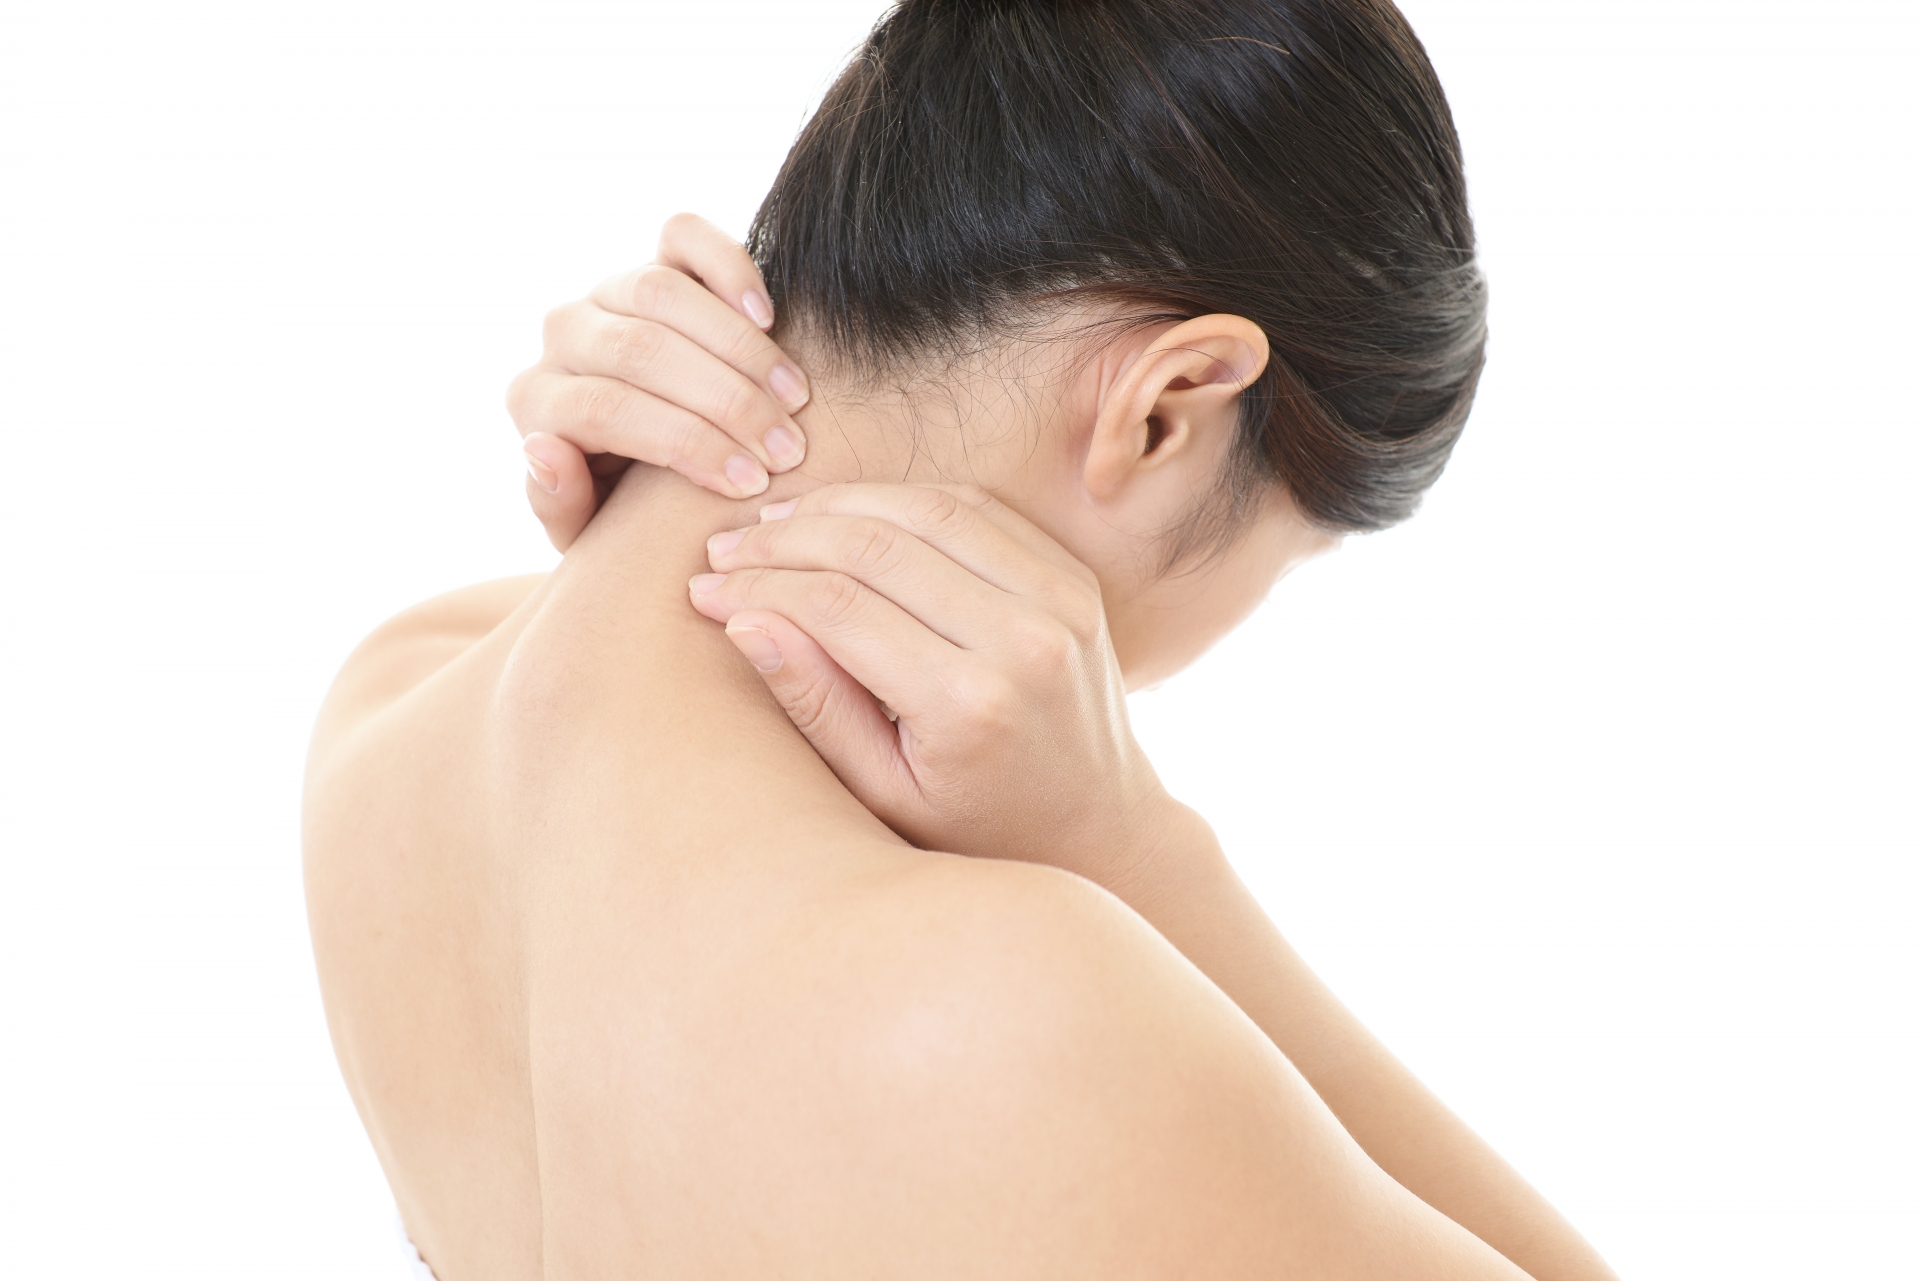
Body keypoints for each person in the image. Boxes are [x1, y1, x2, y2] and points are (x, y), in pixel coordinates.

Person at [304, 1, 1619, 1277]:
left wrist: (644, 521)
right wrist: (1136, 852)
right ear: (1167, 409)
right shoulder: (1013, 1020)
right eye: (1284, 560)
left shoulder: (392, 703)